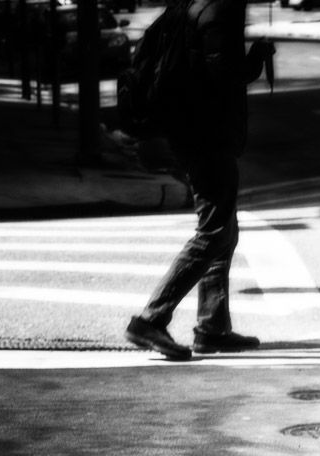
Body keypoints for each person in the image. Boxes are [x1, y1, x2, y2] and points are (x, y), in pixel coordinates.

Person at [125, 0, 273, 362]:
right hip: (207, 135)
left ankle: (213, 326)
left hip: (192, 132)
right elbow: (223, 73)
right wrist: (256, 58)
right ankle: (151, 318)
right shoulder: (218, 10)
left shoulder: (189, 6)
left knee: (224, 230)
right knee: (213, 231)